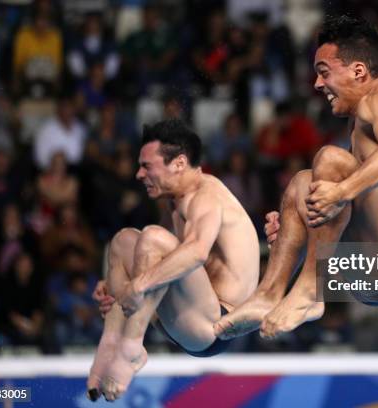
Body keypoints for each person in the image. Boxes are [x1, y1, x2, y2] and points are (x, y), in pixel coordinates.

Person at [213, 15, 378, 340]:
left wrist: (341, 191)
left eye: (324, 73)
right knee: (302, 184)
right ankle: (268, 294)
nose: (317, 84)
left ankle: (312, 290)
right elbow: (357, 209)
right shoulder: (362, 124)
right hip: (376, 259)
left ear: (358, 71)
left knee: (330, 162)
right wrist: (295, 226)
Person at [86, 119, 259, 402]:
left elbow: (196, 252)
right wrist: (116, 285)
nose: (138, 174)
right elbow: (154, 259)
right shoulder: (175, 200)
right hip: (186, 313)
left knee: (153, 238)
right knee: (123, 240)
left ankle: (130, 349)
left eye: (147, 166)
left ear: (179, 163)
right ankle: (111, 343)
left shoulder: (206, 195)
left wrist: (136, 286)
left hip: (216, 326)